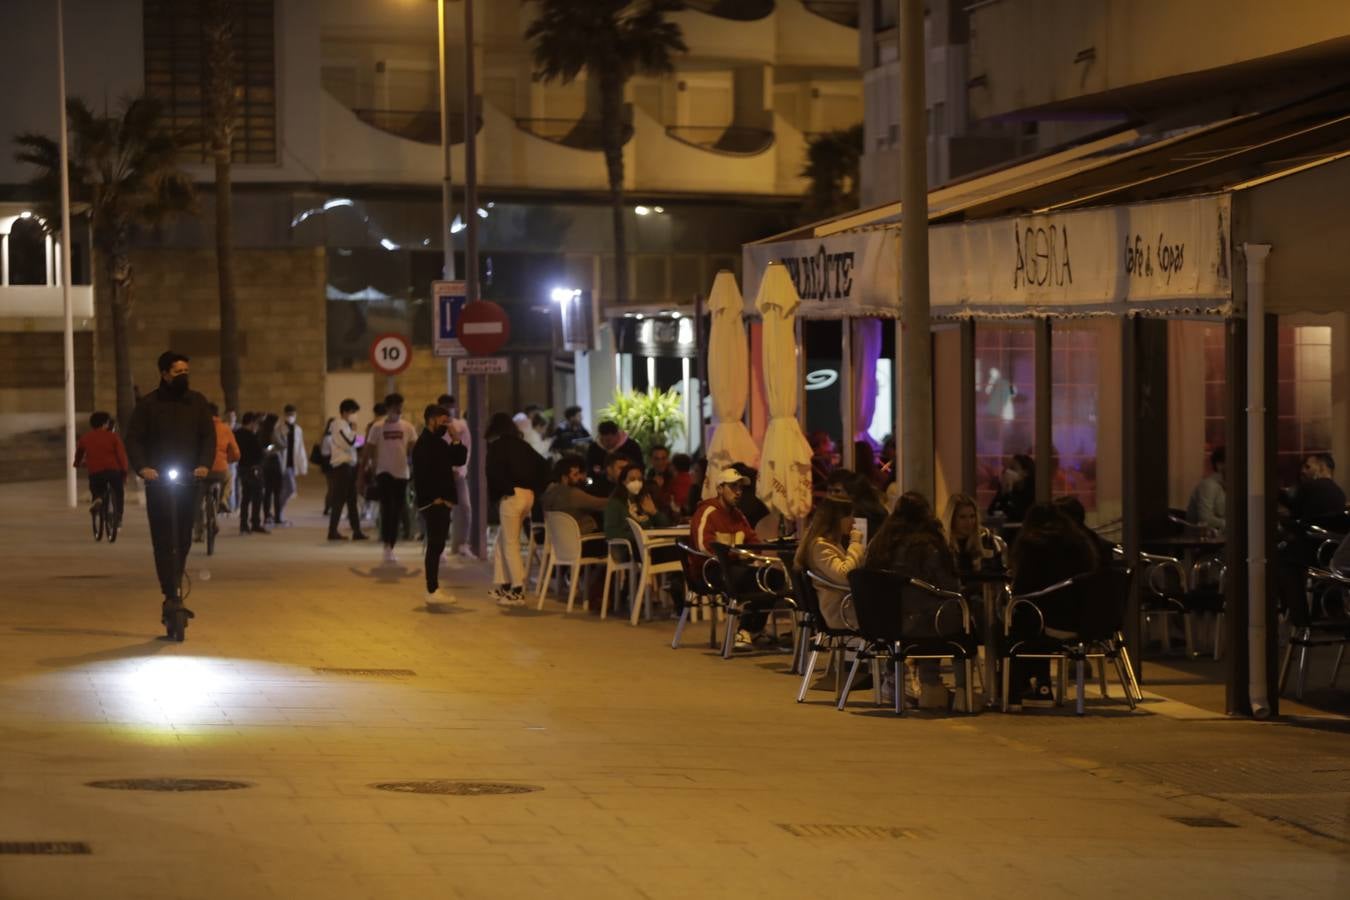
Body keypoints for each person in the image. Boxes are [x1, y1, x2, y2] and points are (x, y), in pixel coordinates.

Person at [124, 351, 215, 630]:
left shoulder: (197, 402)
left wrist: (203, 464)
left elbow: (207, 437)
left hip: (189, 480)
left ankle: (176, 581)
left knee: (184, 535)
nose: (183, 376)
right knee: (163, 538)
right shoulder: (149, 405)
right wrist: (143, 468)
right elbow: (134, 439)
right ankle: (169, 591)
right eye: (177, 372)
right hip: (159, 482)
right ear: (164, 373)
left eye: (186, 371)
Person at [864, 492, 963, 708]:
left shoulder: (879, 544)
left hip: (881, 623)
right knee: (960, 616)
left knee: (928, 610)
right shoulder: (930, 547)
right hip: (922, 624)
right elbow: (950, 588)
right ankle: (942, 685)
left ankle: (896, 677)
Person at [1007, 503, 1100, 708]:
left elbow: (1022, 591)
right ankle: (1041, 685)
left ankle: (1017, 688)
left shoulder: (1032, 545)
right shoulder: (1081, 543)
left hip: (1047, 622)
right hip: (1084, 622)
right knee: (1031, 618)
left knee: (1010, 624)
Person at [688, 467, 767, 649]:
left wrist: (749, 554)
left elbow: (753, 541)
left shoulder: (738, 515)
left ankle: (750, 631)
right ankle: (746, 630)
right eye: (733, 487)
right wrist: (737, 554)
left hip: (734, 568)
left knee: (771, 578)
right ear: (720, 488)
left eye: (740, 488)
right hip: (709, 571)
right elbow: (703, 547)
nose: (738, 492)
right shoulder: (707, 511)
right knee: (756, 579)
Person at [485, 411, 549, 606]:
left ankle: (517, 589)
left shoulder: (496, 447)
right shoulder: (523, 445)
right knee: (501, 541)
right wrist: (535, 489)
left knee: (510, 544)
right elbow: (544, 466)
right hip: (528, 496)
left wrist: (505, 490)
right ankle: (503, 585)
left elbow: (492, 473)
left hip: (511, 497)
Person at [413, 404, 469, 604]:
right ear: (432, 419)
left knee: (437, 545)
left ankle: (433, 589)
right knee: (435, 545)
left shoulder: (439, 442)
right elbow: (422, 476)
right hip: (434, 503)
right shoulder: (424, 444)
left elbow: (460, 459)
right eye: (443, 421)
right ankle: (432, 589)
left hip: (442, 503)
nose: (446, 425)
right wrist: (434, 498)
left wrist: (455, 438)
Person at [794, 495, 864, 632]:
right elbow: (846, 576)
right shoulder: (821, 547)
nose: (853, 521)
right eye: (850, 516)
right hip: (842, 612)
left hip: (846, 606)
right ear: (838, 519)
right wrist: (855, 543)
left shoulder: (831, 543)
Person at [363, 393, 417, 564]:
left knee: (397, 511)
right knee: (387, 509)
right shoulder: (377, 427)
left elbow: (413, 449)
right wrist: (365, 469)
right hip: (383, 472)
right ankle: (387, 545)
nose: (398, 410)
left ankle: (391, 545)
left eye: (400, 406)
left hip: (402, 474)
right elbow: (369, 449)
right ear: (388, 408)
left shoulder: (408, 427)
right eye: (395, 407)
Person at [194, 403, 240, 542]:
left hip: (201, 471)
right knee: (229, 477)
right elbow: (235, 451)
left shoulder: (197, 429)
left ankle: (199, 533)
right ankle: (224, 500)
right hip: (220, 470)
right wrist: (229, 459)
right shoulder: (225, 428)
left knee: (197, 502)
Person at [74, 411, 128, 527]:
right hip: (113, 471)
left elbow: (79, 454)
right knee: (118, 493)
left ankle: (97, 500)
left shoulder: (86, 438)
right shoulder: (113, 437)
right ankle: (118, 518)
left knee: (96, 489)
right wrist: (124, 472)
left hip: (95, 472)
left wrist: (77, 464)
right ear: (105, 424)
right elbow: (121, 456)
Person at [437, 394, 474, 558]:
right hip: (441, 475)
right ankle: (440, 547)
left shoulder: (461, 425)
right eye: (445, 406)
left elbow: (466, 449)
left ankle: (462, 544)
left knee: (465, 508)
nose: (448, 409)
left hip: (458, 474)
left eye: (451, 406)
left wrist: (460, 470)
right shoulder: (434, 426)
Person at [325, 399, 367, 541]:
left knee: (351, 500)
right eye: (353, 412)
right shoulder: (339, 424)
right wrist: (355, 432)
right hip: (342, 467)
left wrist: (358, 438)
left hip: (349, 466)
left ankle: (357, 531)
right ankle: (332, 532)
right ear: (345, 411)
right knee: (339, 500)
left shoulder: (345, 426)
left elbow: (357, 441)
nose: (354, 415)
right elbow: (349, 443)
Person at [542, 455, 608, 536]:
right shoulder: (572, 493)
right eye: (575, 475)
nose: (579, 477)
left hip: (560, 540)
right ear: (564, 478)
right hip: (583, 538)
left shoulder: (550, 491)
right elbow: (601, 504)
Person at [945, 492, 1002, 577]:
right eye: (962, 517)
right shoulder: (943, 544)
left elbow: (998, 571)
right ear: (952, 519)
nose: (969, 522)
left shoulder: (985, 539)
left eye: (972, 516)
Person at [1282, 452, 1346, 522]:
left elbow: (1295, 516)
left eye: (1307, 467)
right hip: (1330, 532)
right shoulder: (1341, 494)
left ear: (1322, 468)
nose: (1302, 471)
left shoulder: (1308, 486)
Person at [272, 404, 307, 526]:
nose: (291, 417)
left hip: (291, 464)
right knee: (290, 488)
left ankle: (278, 513)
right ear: (284, 415)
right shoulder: (278, 428)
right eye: (289, 415)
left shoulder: (298, 429)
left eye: (293, 415)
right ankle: (278, 513)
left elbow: (300, 447)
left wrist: (303, 464)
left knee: (287, 489)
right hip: (281, 463)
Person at [234, 412, 267, 534]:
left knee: (246, 496)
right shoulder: (252, 436)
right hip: (254, 469)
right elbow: (259, 453)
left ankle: (243, 524)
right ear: (252, 423)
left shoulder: (236, 434)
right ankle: (255, 523)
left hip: (242, 468)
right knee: (257, 496)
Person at [988, 453, 1035, 531]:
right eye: (1007, 468)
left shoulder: (1033, 493)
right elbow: (992, 512)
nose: (1008, 472)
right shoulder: (1005, 488)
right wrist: (1004, 492)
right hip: (1006, 534)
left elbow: (1019, 515)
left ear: (1026, 472)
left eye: (1013, 468)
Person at [1186, 447, 1227, 533]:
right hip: (1200, 542)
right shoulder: (1208, 485)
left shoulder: (1228, 487)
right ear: (1219, 465)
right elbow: (1205, 518)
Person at [259, 413, 283, 525]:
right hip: (274, 462)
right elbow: (282, 444)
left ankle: (266, 516)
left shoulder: (261, 431)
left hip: (265, 463)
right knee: (277, 492)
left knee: (267, 492)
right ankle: (278, 517)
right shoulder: (274, 432)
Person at [809, 431, 836, 499]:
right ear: (821, 445)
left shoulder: (822, 460)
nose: (831, 444)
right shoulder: (815, 462)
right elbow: (828, 482)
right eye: (828, 442)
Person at [648, 445, 673, 510]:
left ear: (667, 459)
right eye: (656, 459)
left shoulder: (674, 478)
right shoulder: (648, 479)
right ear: (651, 460)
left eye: (663, 458)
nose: (660, 462)